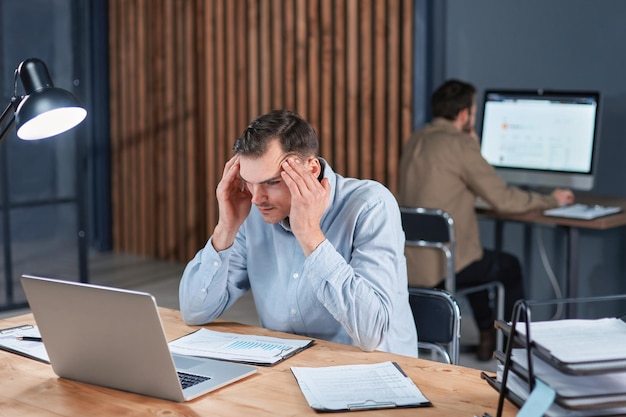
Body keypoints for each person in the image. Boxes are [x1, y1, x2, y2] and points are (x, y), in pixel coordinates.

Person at [180, 109, 418, 357]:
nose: (257, 198)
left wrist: (310, 235)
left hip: (369, 371)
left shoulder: (370, 205)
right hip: (286, 368)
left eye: (272, 182)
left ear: (312, 170)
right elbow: (195, 311)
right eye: (249, 182)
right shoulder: (253, 211)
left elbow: (372, 333)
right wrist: (225, 228)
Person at [398, 79, 574, 361]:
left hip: (412, 263)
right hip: (443, 266)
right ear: (465, 114)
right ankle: (518, 352)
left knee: (474, 256)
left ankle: (485, 335)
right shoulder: (459, 145)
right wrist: (551, 200)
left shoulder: (417, 138)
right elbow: (502, 199)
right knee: (505, 265)